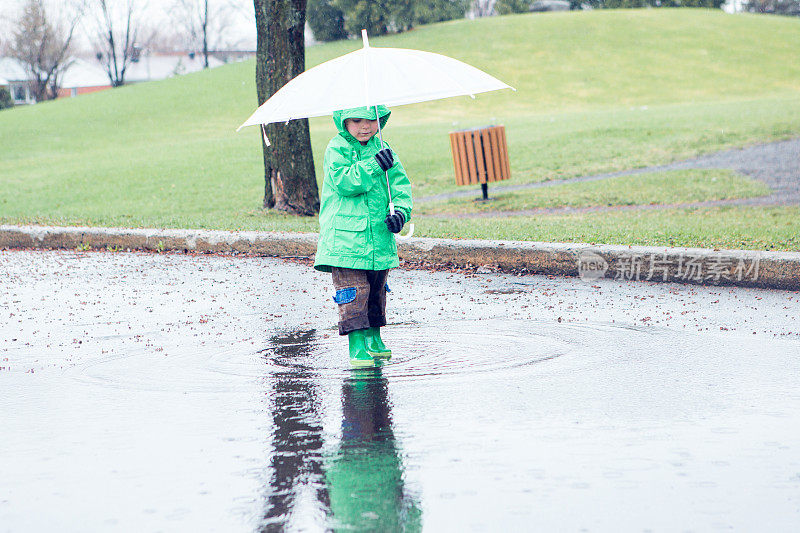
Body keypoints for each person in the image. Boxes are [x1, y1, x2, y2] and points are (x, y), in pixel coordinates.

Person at [313, 105, 413, 367]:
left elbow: (399, 185)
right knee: (354, 292)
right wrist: (373, 165)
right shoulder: (337, 148)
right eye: (356, 120)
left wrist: (400, 212)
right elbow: (345, 182)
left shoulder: (384, 148)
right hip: (345, 241)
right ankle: (356, 343)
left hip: (378, 239)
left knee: (377, 290)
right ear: (343, 121)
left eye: (372, 119)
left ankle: (374, 336)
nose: (365, 126)